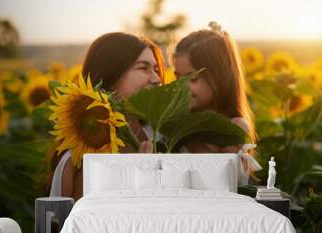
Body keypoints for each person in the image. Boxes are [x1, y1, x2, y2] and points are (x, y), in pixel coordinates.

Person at [47, 32, 165, 200]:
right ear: (110, 75)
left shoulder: (163, 139)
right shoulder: (78, 163)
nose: (157, 79)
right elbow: (68, 224)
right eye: (143, 68)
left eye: (155, 68)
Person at [172, 22, 261, 185]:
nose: (181, 86)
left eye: (192, 79)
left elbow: (221, 183)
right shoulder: (174, 122)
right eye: (178, 78)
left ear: (219, 78)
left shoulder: (233, 127)